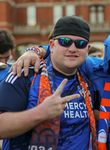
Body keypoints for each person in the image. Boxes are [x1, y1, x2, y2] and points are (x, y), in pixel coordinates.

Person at [0, 16, 99, 150]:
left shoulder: (91, 78)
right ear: (52, 45)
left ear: (87, 50)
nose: (72, 48)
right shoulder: (24, 73)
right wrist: (40, 113)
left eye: (80, 44)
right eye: (65, 42)